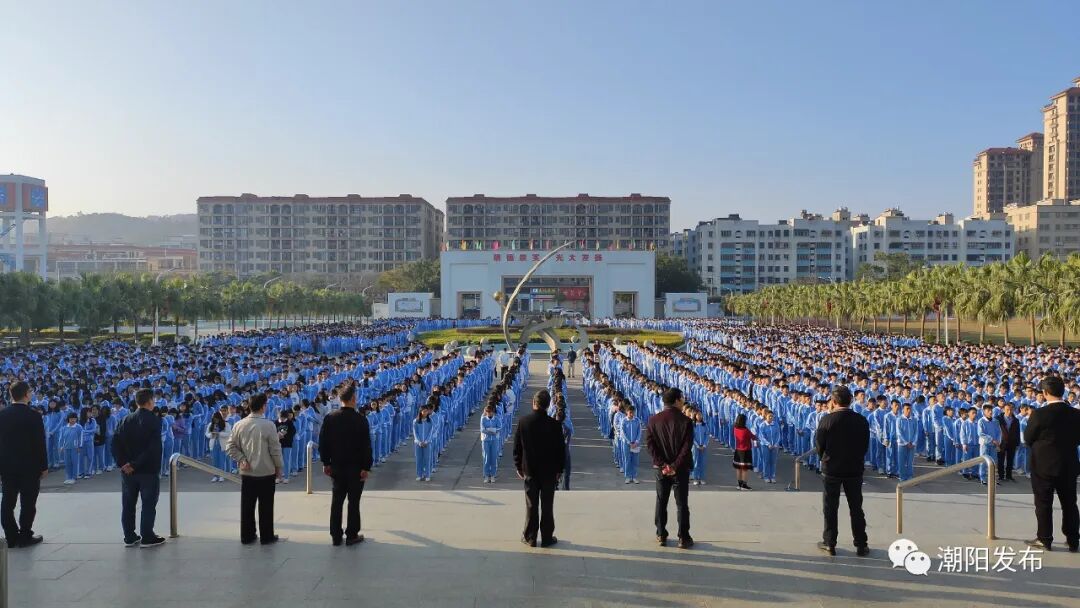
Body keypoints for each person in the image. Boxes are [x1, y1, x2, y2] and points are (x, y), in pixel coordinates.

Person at [1022, 376, 1080, 552]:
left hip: (1043, 465)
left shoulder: (1039, 414)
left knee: (1043, 503)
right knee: (1070, 503)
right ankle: (1073, 539)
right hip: (1068, 464)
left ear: (1045, 393)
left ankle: (1045, 538)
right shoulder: (1076, 414)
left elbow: (1028, 438)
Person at [814, 386, 870, 557]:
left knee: (830, 507)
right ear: (851, 400)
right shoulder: (861, 420)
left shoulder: (827, 420)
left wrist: (825, 457)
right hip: (854, 469)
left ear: (833, 401)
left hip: (832, 469)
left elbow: (819, 445)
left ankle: (830, 542)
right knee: (856, 507)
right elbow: (865, 445)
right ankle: (861, 544)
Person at [319, 382, 373, 546]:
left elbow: (323, 443)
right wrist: (366, 467)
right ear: (353, 399)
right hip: (356, 468)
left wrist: (325, 462)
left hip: (337, 466)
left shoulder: (330, 418)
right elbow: (366, 446)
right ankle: (352, 534)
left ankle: (336, 535)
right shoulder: (361, 420)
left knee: (337, 501)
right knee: (353, 502)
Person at [111, 388, 166, 548]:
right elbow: (152, 448)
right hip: (147, 470)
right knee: (148, 504)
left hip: (128, 472)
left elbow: (114, 444)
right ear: (150, 401)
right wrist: (135, 464)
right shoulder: (154, 420)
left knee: (128, 504)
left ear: (136, 402)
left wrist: (123, 464)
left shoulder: (125, 420)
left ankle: (129, 536)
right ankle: (147, 536)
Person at [226, 393, 284, 545]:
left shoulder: (239, 424)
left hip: (247, 472)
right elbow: (275, 450)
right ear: (263, 406)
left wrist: (241, 459)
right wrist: (279, 467)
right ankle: (266, 536)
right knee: (266, 506)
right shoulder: (269, 425)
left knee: (247, 506)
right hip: (266, 471)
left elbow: (230, 446)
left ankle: (247, 535)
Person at [513, 389, 566, 548]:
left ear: (534, 403)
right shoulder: (555, 425)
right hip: (549, 472)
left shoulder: (524, 422)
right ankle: (547, 537)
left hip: (530, 470)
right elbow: (560, 451)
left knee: (531, 505)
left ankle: (530, 537)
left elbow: (517, 448)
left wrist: (519, 467)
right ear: (548, 406)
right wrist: (559, 470)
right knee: (547, 505)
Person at [0, 381, 48, 549]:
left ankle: (11, 537)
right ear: (26, 394)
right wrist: (44, 466)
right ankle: (25, 535)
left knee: (7, 502)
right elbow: (39, 443)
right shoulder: (34, 415)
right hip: (30, 466)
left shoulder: (2, 415)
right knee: (28, 503)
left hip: (7, 467)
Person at [645, 387, 694, 549]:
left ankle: (661, 534)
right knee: (681, 504)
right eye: (682, 398)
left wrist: (662, 464)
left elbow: (650, 446)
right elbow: (687, 447)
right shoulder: (686, 421)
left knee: (661, 501)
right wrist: (674, 465)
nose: (683, 401)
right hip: (680, 469)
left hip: (661, 469)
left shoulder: (653, 420)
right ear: (677, 400)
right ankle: (683, 537)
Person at [732, 413, 756, 490]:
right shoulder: (746, 430)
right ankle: (744, 485)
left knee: (738, 468)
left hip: (738, 450)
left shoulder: (735, 429)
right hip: (746, 450)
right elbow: (753, 437)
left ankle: (739, 484)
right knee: (745, 469)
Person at [997, 403, 1020, 482]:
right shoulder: (998, 419)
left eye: (1011, 410)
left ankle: (1009, 476)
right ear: (1003, 409)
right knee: (1001, 460)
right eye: (1007, 409)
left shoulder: (1016, 420)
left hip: (1012, 443)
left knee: (1010, 460)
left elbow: (1017, 432)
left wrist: (1017, 443)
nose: (1009, 411)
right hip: (1001, 443)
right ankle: (1001, 475)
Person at [480, 403, 502, 483]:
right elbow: (482, 429)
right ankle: (486, 475)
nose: (489, 413)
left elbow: (499, 427)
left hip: (494, 440)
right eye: (487, 412)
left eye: (490, 412)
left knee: (493, 458)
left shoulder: (496, 419)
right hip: (486, 440)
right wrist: (491, 431)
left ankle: (492, 475)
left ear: (493, 412)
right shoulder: (483, 419)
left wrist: (492, 430)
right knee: (486, 458)